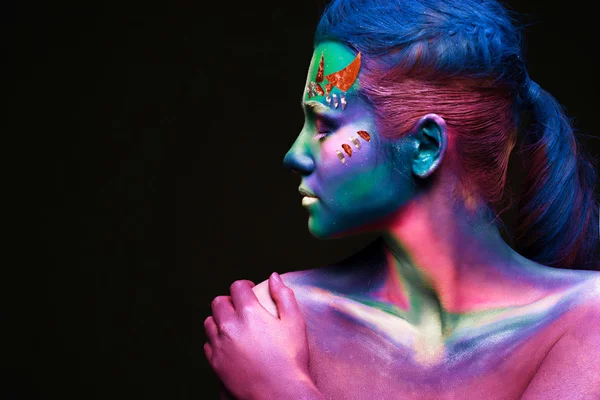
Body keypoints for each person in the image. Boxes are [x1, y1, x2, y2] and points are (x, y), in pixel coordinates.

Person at [204, 0, 600, 398]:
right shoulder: (275, 320)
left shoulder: (588, 321)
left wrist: (279, 388)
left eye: (325, 126)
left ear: (426, 146)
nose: (295, 153)